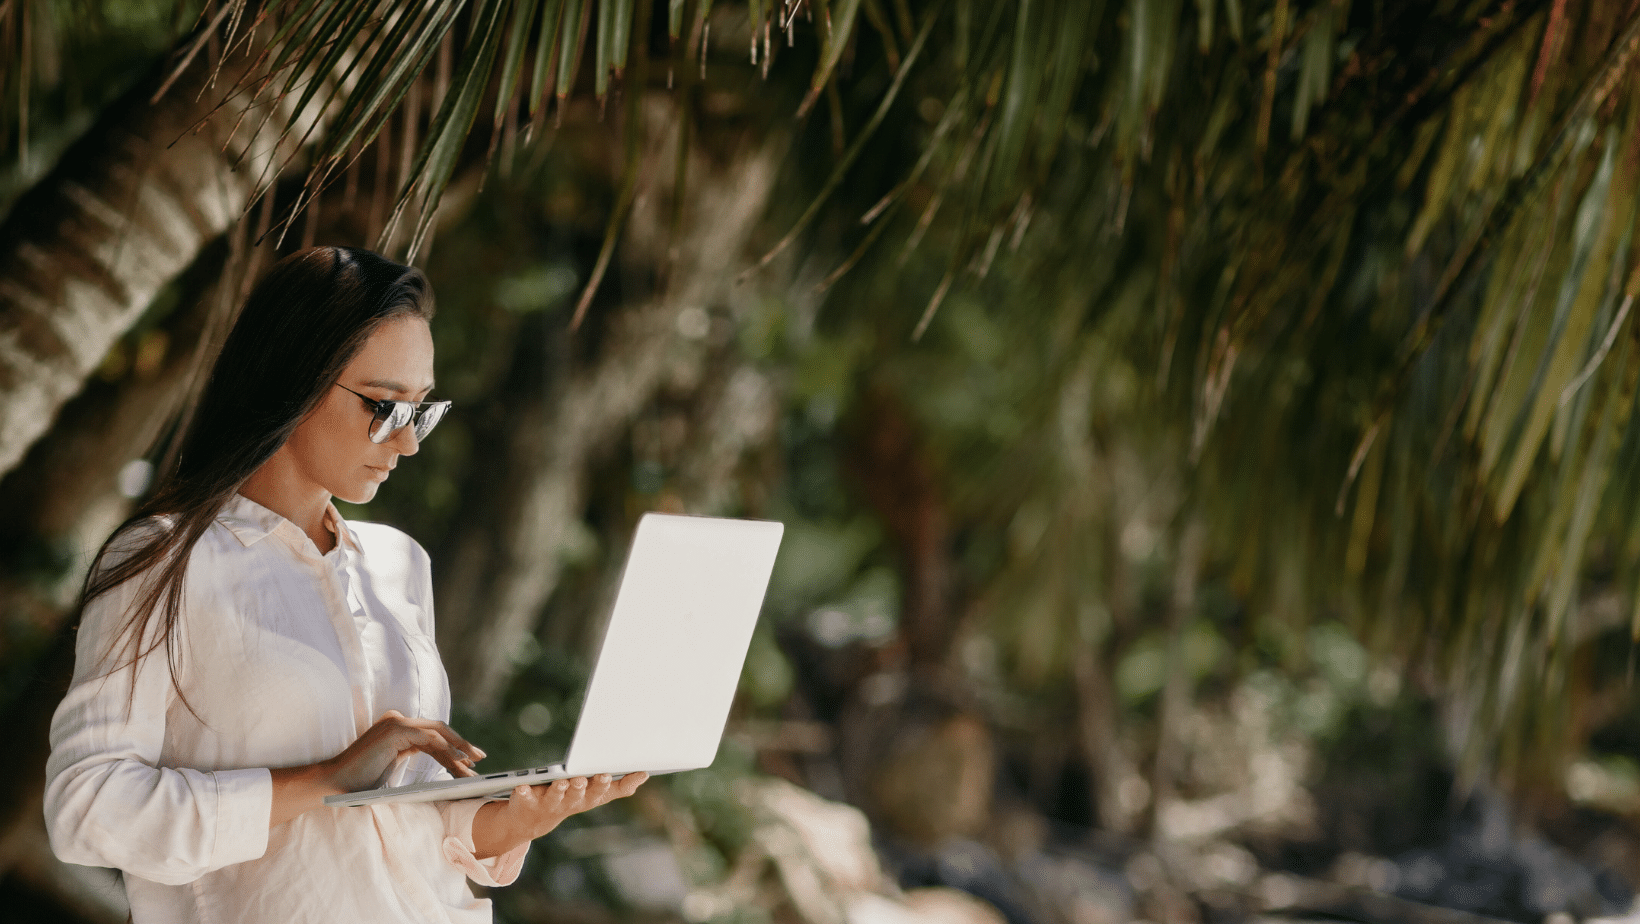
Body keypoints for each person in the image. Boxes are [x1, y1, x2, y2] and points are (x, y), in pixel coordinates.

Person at [43, 246, 647, 923]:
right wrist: (323, 780)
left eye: (421, 409)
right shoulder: (167, 561)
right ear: (293, 378)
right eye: (384, 406)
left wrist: (514, 821)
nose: (408, 442)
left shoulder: (397, 565)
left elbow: (393, 827)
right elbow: (88, 811)